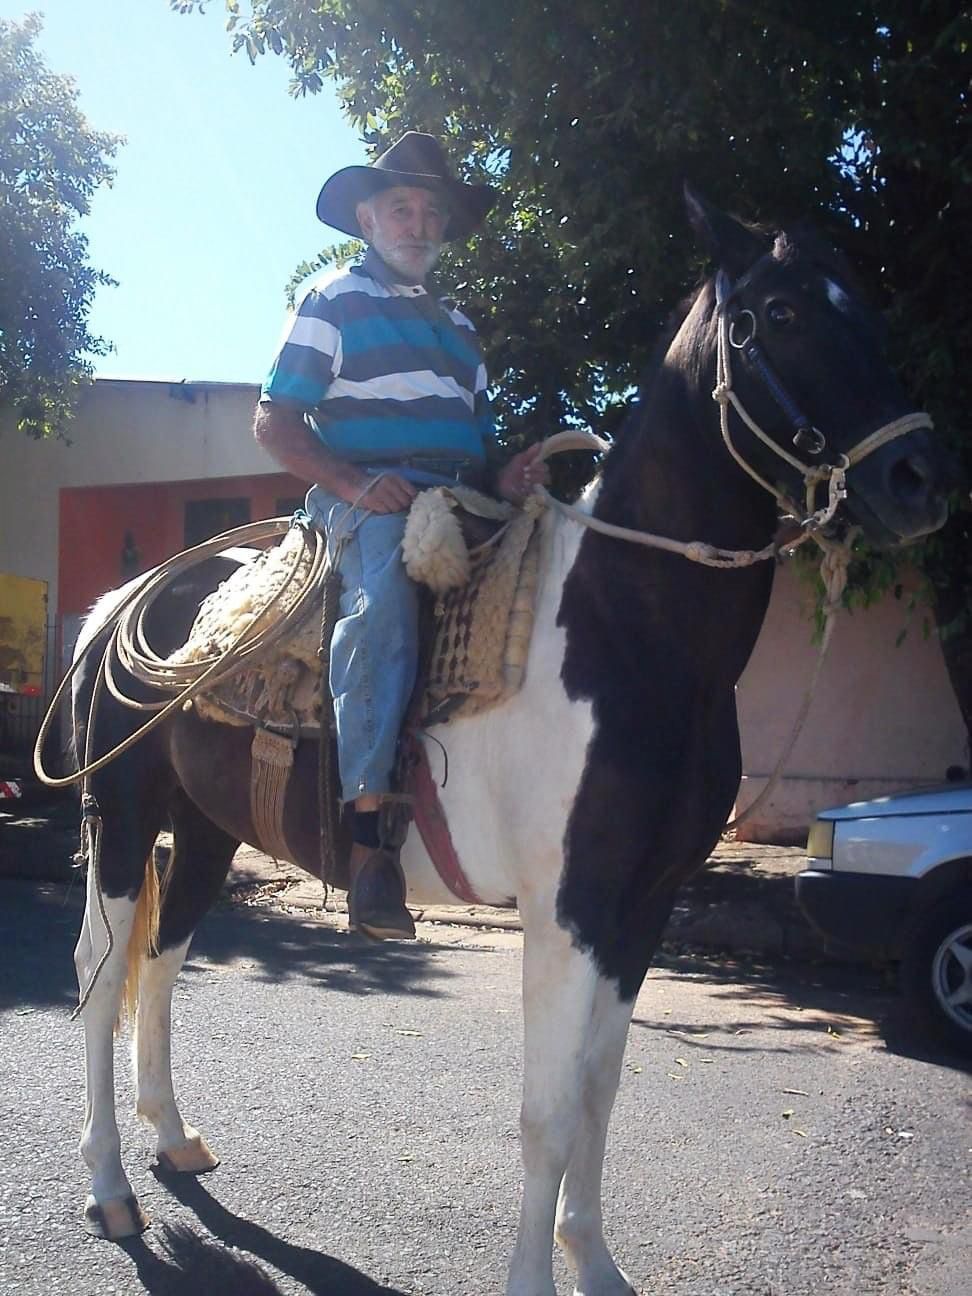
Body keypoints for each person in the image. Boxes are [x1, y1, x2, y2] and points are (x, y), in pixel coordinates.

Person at [255, 132, 547, 941]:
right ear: (366, 218)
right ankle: (369, 844)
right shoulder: (331, 300)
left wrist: (506, 481)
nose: (417, 225)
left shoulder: (462, 332)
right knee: (382, 604)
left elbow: (478, 457)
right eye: (400, 209)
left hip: (456, 501)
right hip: (365, 499)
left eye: (430, 213)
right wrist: (352, 484)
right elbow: (274, 421)